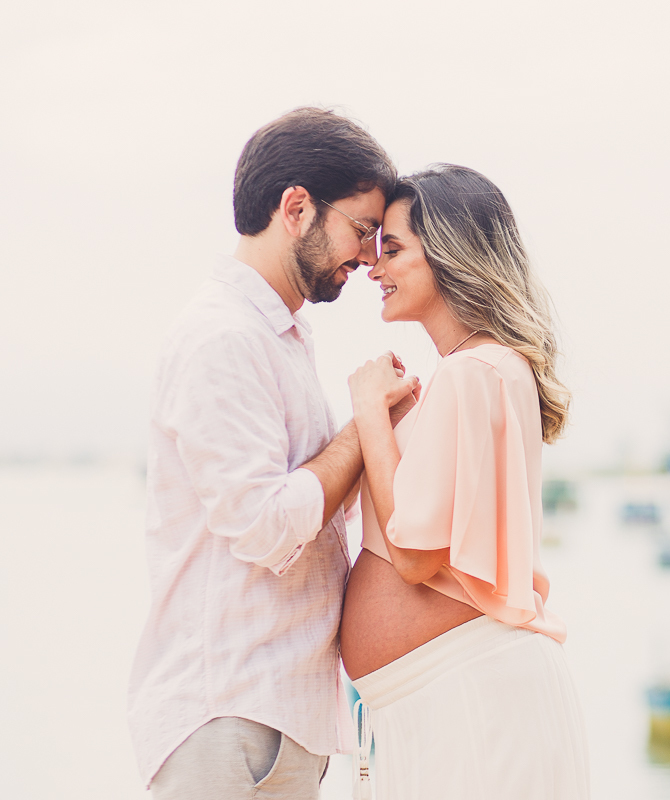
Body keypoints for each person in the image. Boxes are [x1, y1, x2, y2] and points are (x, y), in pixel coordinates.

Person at [128, 107, 402, 799]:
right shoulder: (224, 338)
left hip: (279, 719)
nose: (369, 256)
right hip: (227, 714)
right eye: (362, 230)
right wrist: (362, 427)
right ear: (297, 206)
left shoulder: (277, 337)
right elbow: (266, 524)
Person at [341, 164, 590, 799]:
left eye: (392, 249)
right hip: (450, 698)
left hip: (469, 697)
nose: (374, 268)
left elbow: (415, 555)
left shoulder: (473, 372)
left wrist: (369, 412)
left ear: (451, 255)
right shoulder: (478, 371)